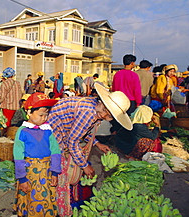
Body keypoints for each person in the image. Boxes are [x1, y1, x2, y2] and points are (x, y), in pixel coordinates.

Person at [48, 83, 132, 216]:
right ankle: (57, 205)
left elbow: (83, 131)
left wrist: (97, 144)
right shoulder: (89, 113)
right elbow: (72, 141)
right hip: (56, 131)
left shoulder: (94, 107)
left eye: (110, 116)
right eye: (107, 113)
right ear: (104, 106)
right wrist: (84, 165)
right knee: (59, 168)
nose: (106, 117)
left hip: (66, 129)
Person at [13, 92, 61, 217]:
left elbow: (55, 151)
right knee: (31, 200)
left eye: (46, 115)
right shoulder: (22, 131)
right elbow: (18, 157)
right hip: (29, 174)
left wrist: (55, 172)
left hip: (46, 172)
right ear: (29, 112)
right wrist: (22, 178)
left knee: (45, 199)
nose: (44, 118)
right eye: (40, 115)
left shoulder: (47, 130)